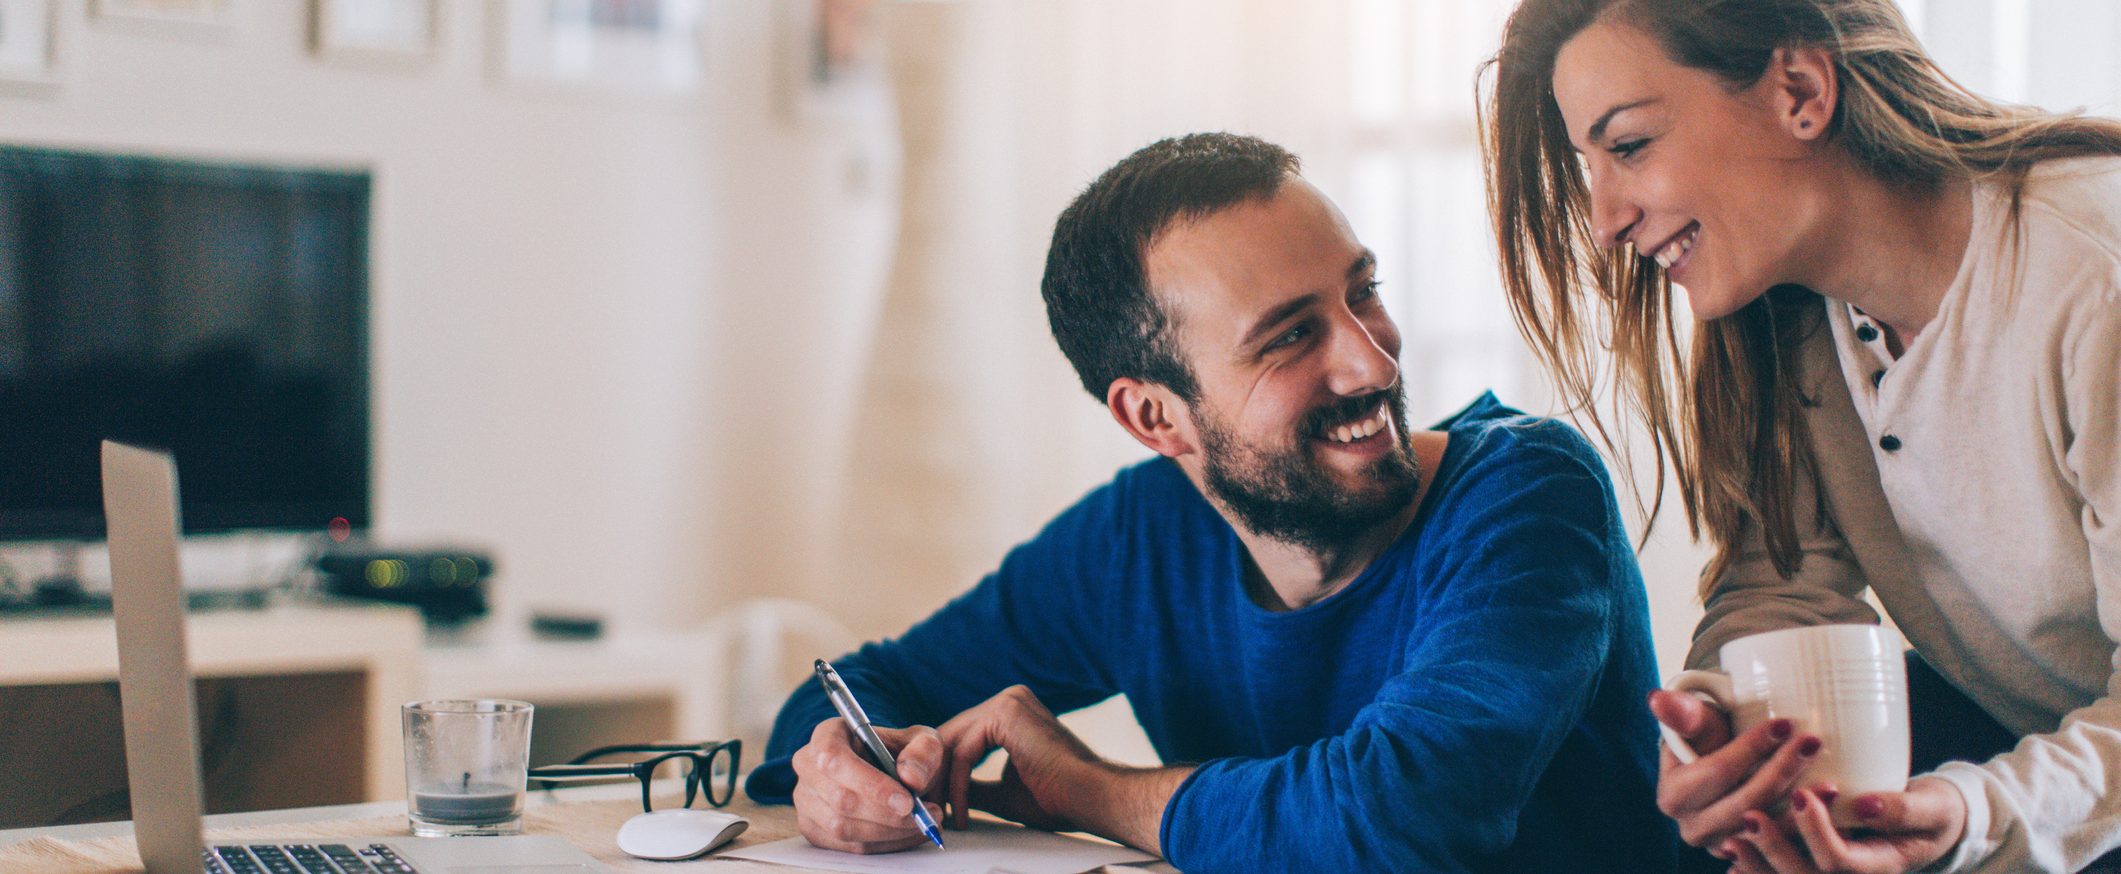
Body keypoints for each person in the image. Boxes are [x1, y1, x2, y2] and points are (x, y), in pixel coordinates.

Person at [742, 132, 1685, 872]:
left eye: (1364, 293)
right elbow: (860, 694)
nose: (1372, 359)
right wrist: (837, 774)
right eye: (1289, 337)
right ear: (1155, 416)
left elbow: (1409, 820)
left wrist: (1085, 790)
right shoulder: (1138, 539)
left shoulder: (1525, 493)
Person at [1481, 1, 2121, 871]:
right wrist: (1727, 733)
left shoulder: (2094, 279)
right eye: (1585, 166)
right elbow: (1782, 578)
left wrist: (1971, 812)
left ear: (1798, 90)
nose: (1603, 219)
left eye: (1627, 146)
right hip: (2042, 752)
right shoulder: (1793, 315)